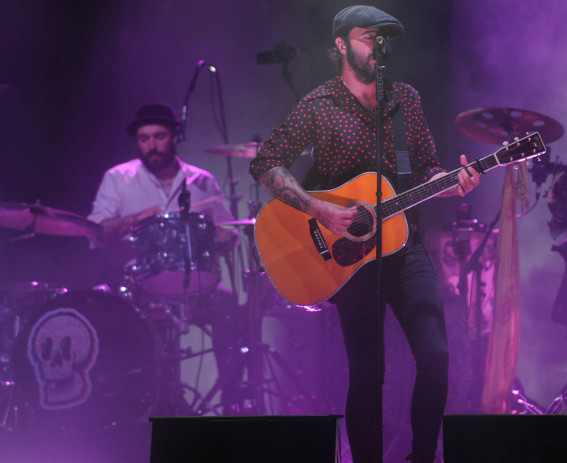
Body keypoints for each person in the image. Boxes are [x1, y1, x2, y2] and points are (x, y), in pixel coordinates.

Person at [248, 5, 480, 462]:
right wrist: (317, 208)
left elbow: (429, 168)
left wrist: (451, 184)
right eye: (366, 36)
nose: (378, 45)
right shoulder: (319, 104)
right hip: (345, 257)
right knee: (369, 374)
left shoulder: (405, 100)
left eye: (383, 37)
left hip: (405, 246)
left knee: (435, 357)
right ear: (340, 45)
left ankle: (422, 457)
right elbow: (265, 161)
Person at [88, 103, 246, 414]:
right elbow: (95, 232)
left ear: (174, 136)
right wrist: (136, 218)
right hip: (138, 287)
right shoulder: (118, 178)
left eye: (159, 136)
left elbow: (227, 230)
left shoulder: (201, 181)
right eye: (144, 139)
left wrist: (225, 238)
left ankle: (233, 404)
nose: (151, 145)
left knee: (231, 309)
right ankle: (134, 410)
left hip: (195, 285)